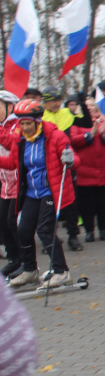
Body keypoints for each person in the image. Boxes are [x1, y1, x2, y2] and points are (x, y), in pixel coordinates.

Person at [2, 100, 79, 289]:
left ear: (38, 121)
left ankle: (61, 272)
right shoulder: (19, 140)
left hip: (50, 190)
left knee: (44, 229)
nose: (25, 127)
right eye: (22, 123)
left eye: (28, 123)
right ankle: (30, 271)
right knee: (23, 230)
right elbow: (12, 163)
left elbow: (74, 158)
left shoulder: (55, 136)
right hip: (30, 192)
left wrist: (69, 159)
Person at [41, 85, 91, 251]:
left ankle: (73, 236)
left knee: (71, 201)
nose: (57, 103)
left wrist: (83, 103)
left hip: (66, 162)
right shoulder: (41, 116)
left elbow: (86, 122)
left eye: (58, 100)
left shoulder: (66, 113)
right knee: (47, 202)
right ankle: (49, 237)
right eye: (53, 100)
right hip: (47, 164)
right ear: (46, 101)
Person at [70, 98, 105, 242]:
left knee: (104, 203)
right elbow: (73, 140)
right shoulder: (77, 122)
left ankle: (103, 230)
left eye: (92, 105)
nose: (90, 108)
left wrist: (104, 135)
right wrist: (90, 134)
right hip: (86, 171)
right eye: (86, 106)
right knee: (87, 204)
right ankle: (89, 231)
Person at [0, 91, 22, 279]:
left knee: (12, 223)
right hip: (4, 185)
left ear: (9, 107)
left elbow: (9, 143)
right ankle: (13, 259)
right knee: (3, 223)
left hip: (18, 184)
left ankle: (24, 262)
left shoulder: (17, 125)